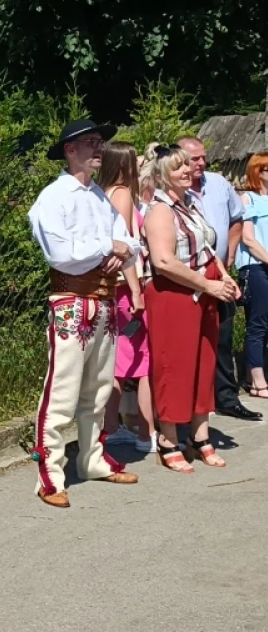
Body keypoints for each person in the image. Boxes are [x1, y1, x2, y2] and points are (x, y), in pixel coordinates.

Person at [27, 120, 141, 509]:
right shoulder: (53, 198)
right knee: (62, 390)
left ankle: (92, 459)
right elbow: (62, 255)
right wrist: (106, 246)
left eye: (100, 142)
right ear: (68, 150)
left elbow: (131, 242)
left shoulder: (99, 197)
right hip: (71, 302)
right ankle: (50, 474)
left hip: (104, 303)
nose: (99, 148)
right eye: (90, 143)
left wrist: (117, 247)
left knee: (98, 389)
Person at [142, 144, 236, 473]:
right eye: (179, 167)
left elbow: (209, 247)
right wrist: (206, 284)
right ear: (163, 175)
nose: (188, 170)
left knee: (204, 363)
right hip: (173, 295)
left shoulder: (190, 205)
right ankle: (168, 439)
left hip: (203, 292)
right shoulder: (159, 211)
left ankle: (200, 436)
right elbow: (163, 261)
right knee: (174, 366)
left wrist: (224, 277)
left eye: (188, 165)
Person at [176, 137, 262, 421]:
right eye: (195, 159)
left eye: (203, 157)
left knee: (222, 338)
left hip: (220, 272)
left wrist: (231, 254)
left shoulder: (219, 184)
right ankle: (188, 403)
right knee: (187, 341)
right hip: (186, 277)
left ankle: (226, 398)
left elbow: (236, 219)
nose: (201, 163)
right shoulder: (175, 187)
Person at [96, 141, 156, 454]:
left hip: (115, 287)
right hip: (127, 285)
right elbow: (125, 246)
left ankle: (111, 427)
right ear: (123, 165)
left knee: (118, 361)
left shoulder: (103, 194)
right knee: (140, 361)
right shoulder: (121, 194)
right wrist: (136, 290)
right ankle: (146, 432)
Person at [235, 153, 268, 396]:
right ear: (258, 172)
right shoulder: (247, 198)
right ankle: (257, 381)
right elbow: (248, 237)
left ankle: (251, 374)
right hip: (255, 266)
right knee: (258, 323)